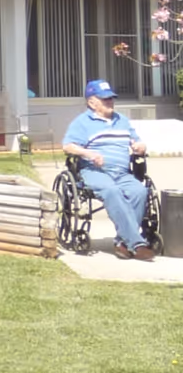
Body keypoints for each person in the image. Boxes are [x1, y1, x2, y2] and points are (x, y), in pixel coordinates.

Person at [62, 81, 154, 259]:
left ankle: (122, 242)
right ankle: (137, 243)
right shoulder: (82, 122)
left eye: (111, 98)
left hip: (122, 172)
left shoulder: (122, 120)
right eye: (105, 99)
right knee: (111, 191)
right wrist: (88, 154)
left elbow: (137, 140)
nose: (110, 102)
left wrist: (140, 146)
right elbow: (68, 146)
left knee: (140, 191)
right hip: (95, 172)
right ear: (91, 103)